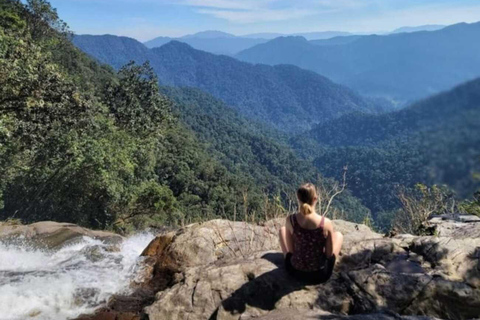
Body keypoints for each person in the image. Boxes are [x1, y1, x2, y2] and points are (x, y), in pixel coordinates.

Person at [278, 183, 343, 284]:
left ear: (298, 199)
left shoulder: (291, 220)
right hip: (320, 275)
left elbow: (291, 251)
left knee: (282, 230)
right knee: (339, 235)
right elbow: (329, 255)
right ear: (315, 198)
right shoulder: (325, 223)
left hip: (295, 272)